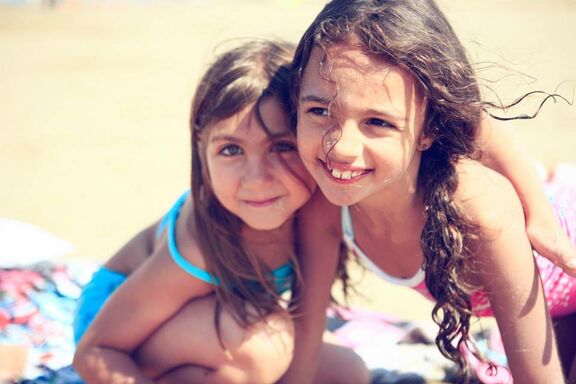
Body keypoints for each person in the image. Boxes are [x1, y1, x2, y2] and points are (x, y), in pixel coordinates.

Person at [280, 0, 576, 382]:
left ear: (430, 128)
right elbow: (302, 358)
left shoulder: (479, 209)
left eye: (377, 122)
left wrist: (540, 217)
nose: (340, 148)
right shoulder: (325, 206)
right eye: (319, 111)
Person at [72, 39, 370, 384]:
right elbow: (95, 350)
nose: (256, 179)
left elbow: (308, 317)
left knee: (348, 372)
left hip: (215, 322)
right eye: (231, 149)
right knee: (264, 347)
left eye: (282, 147)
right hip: (119, 333)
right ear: (202, 148)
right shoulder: (199, 245)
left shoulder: (320, 211)